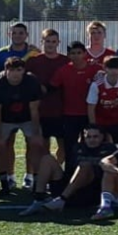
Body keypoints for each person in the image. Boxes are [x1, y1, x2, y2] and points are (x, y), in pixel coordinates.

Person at [19, 124, 118, 216]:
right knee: (47, 159)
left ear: (102, 137)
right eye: (88, 137)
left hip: (91, 192)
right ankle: (39, 199)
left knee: (85, 166)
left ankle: (61, 200)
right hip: (70, 187)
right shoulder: (77, 147)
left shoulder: (110, 150)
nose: (92, 140)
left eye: (95, 136)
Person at [0, 57, 44, 197]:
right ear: (5, 70)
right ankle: (5, 184)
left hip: (27, 118)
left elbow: (34, 110)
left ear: (24, 71)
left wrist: (36, 132)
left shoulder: (31, 82)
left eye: (19, 70)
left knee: (36, 144)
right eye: (11, 70)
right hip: (5, 119)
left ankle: (35, 182)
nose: (15, 73)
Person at [51, 41, 103, 171]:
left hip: (91, 115)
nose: (76, 56)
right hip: (70, 115)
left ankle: (94, 174)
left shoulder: (95, 69)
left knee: (92, 145)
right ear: (68, 55)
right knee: (70, 147)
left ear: (85, 53)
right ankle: (69, 174)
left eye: (79, 53)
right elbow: (52, 87)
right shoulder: (63, 70)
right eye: (73, 53)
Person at [26, 29, 71, 165]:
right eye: (47, 41)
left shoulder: (65, 61)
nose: (50, 44)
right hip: (41, 110)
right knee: (43, 145)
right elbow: (24, 76)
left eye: (53, 41)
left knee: (63, 145)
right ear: (42, 42)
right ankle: (46, 173)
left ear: (58, 43)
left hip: (61, 109)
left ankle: (57, 171)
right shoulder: (34, 61)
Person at [86, 56, 118, 144]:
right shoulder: (96, 85)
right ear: (105, 68)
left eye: (117, 68)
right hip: (100, 121)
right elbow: (91, 108)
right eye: (111, 67)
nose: (114, 71)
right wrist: (94, 129)